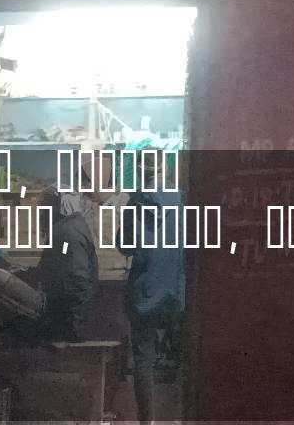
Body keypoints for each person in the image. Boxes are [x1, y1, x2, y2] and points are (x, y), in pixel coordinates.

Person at [0, 179, 97, 342]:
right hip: (59, 314)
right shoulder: (68, 230)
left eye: (44, 209)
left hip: (57, 319)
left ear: (56, 208)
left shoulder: (67, 235)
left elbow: (76, 279)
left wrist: (70, 327)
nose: (41, 215)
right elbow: (63, 268)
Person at [120, 182, 186, 425]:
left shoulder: (135, 203)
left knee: (143, 361)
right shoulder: (182, 202)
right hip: (175, 292)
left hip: (143, 293)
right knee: (182, 358)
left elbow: (125, 246)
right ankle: (181, 416)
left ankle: (147, 421)